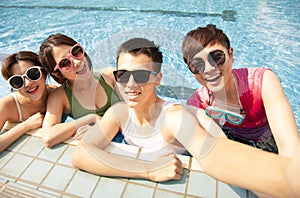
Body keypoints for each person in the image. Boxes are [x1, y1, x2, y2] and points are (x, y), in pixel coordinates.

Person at [72, 38, 297, 197]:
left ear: (157, 78)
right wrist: (147, 170)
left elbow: (215, 155)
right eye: (123, 75)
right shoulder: (119, 113)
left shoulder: (174, 118)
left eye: (140, 75)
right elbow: (81, 154)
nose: (130, 85)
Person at [182, 24, 299, 157]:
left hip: (269, 141)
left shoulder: (262, 82)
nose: (208, 69)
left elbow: (290, 147)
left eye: (216, 57)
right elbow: (224, 152)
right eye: (197, 65)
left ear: (231, 55)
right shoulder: (198, 104)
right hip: (233, 139)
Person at [38, 33, 122, 148]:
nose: (77, 62)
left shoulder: (109, 76)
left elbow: (138, 109)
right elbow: (48, 138)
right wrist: (91, 118)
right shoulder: (60, 96)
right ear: (57, 73)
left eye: (76, 51)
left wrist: (101, 124)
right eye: (65, 63)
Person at [0, 51, 56, 152]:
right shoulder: (7, 105)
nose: (28, 83)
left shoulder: (55, 93)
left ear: (44, 73)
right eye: (17, 81)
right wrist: (26, 126)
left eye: (32, 73)